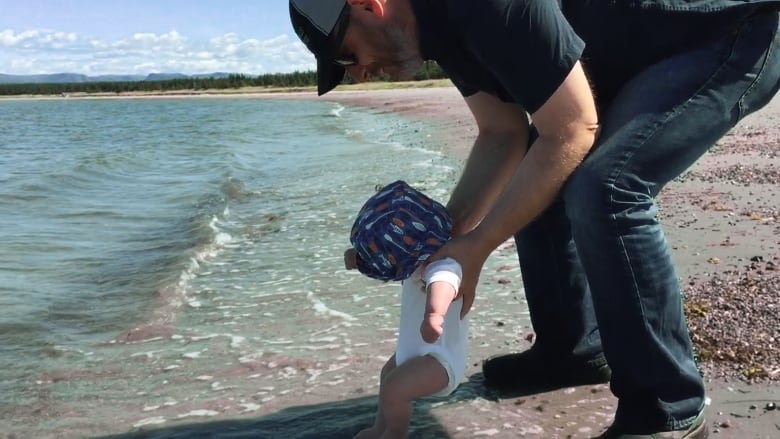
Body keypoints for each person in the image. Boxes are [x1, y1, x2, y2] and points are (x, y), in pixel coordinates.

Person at [289, 0, 780, 437]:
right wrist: (444, 238)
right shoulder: (438, 29)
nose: (356, 74)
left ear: (369, 6)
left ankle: (669, 404)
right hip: (628, 63)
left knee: (604, 188)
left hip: (727, 32)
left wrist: (478, 247)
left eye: (345, 57)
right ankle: (571, 351)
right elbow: (504, 135)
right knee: (535, 175)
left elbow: (572, 129)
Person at [345, 180, 468, 439]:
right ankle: (381, 427)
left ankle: (396, 434)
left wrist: (434, 314)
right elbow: (388, 255)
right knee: (388, 376)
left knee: (395, 389)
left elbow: (444, 283)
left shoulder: (443, 263)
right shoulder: (417, 255)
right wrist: (357, 259)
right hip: (415, 352)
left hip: (440, 361)